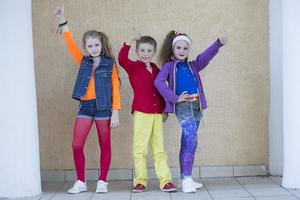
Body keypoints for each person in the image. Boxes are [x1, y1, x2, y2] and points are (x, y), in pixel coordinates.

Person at [54, 6, 121, 194]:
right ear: (86, 48)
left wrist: (115, 112)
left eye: (96, 45)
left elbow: (116, 87)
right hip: (86, 107)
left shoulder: (110, 64)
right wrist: (63, 20)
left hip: (104, 108)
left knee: (104, 144)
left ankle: (102, 181)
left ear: (101, 45)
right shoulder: (82, 60)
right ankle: (80, 181)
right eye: (90, 46)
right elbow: (70, 43)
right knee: (77, 144)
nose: (93, 48)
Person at [154, 30, 227, 193]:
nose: (181, 51)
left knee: (188, 140)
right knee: (191, 138)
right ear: (173, 49)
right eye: (178, 47)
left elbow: (205, 57)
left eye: (185, 48)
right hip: (183, 106)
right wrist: (174, 97)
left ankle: (184, 177)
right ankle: (187, 179)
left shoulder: (193, 65)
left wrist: (218, 43)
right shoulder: (169, 66)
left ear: (188, 50)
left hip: (196, 106)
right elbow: (158, 82)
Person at [118, 31, 177, 193]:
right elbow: (122, 59)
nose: (145, 54)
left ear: (154, 52)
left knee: (159, 149)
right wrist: (130, 40)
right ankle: (140, 181)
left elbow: (161, 91)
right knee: (140, 148)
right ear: (137, 52)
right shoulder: (133, 68)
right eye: (142, 50)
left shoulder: (158, 70)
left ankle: (165, 181)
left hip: (157, 114)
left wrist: (165, 109)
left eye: (149, 51)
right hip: (141, 113)